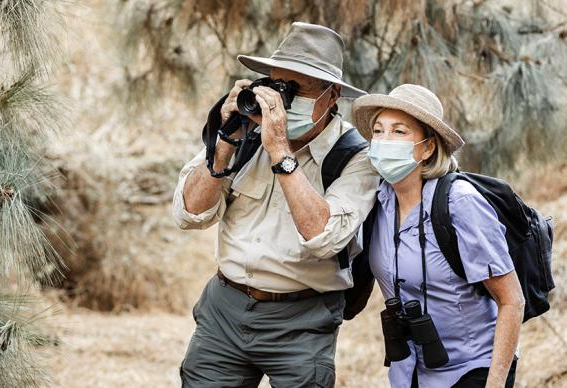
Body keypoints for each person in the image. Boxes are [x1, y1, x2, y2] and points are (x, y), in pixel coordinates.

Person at [172, 22, 379, 387]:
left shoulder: (355, 157)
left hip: (304, 317)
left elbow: (324, 237)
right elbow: (189, 214)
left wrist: (280, 150)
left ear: (331, 96)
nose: (282, 101)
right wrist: (225, 141)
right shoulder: (244, 133)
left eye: (297, 90)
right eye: (277, 86)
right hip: (225, 308)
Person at [352, 84, 525, 388]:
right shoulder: (377, 203)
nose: (383, 141)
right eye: (378, 131)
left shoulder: (459, 202)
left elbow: (512, 300)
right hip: (409, 374)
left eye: (399, 131)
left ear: (428, 147)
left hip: (472, 369)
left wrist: (495, 384)